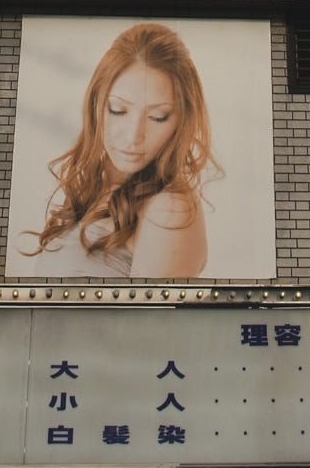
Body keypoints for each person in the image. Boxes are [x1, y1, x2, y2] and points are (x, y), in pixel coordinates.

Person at [22, 23, 217, 278]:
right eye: (118, 110)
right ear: (95, 102)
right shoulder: (96, 191)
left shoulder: (169, 208)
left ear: (181, 120)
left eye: (158, 116)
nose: (133, 136)